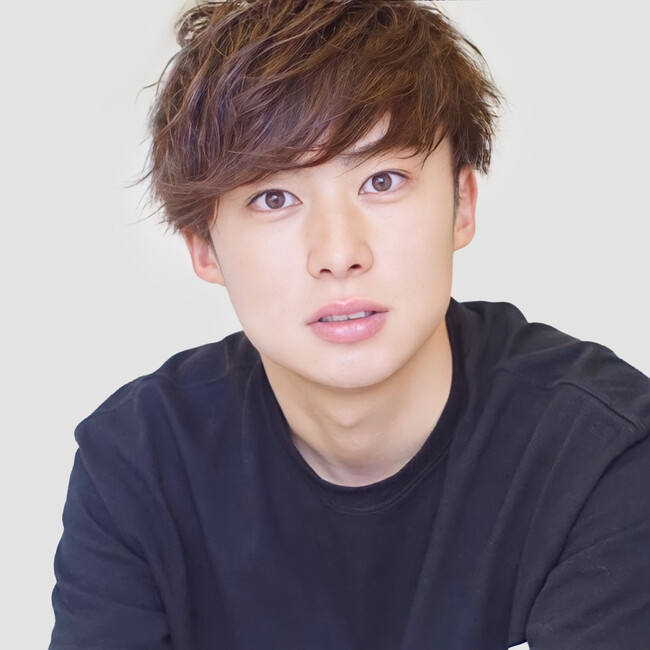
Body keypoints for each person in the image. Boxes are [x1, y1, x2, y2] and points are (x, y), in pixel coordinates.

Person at [49, 1, 650, 648]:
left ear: (462, 206)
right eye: (274, 197)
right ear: (203, 248)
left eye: (383, 180)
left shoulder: (600, 452)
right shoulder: (139, 466)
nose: (338, 254)